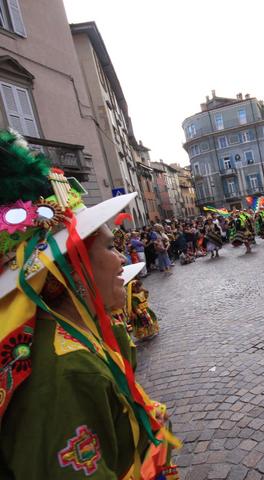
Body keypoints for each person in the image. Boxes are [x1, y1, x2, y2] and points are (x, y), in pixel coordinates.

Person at [0, 131, 179, 478]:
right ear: (70, 269)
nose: (121, 259)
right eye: (111, 247)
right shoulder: (66, 371)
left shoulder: (73, 335)